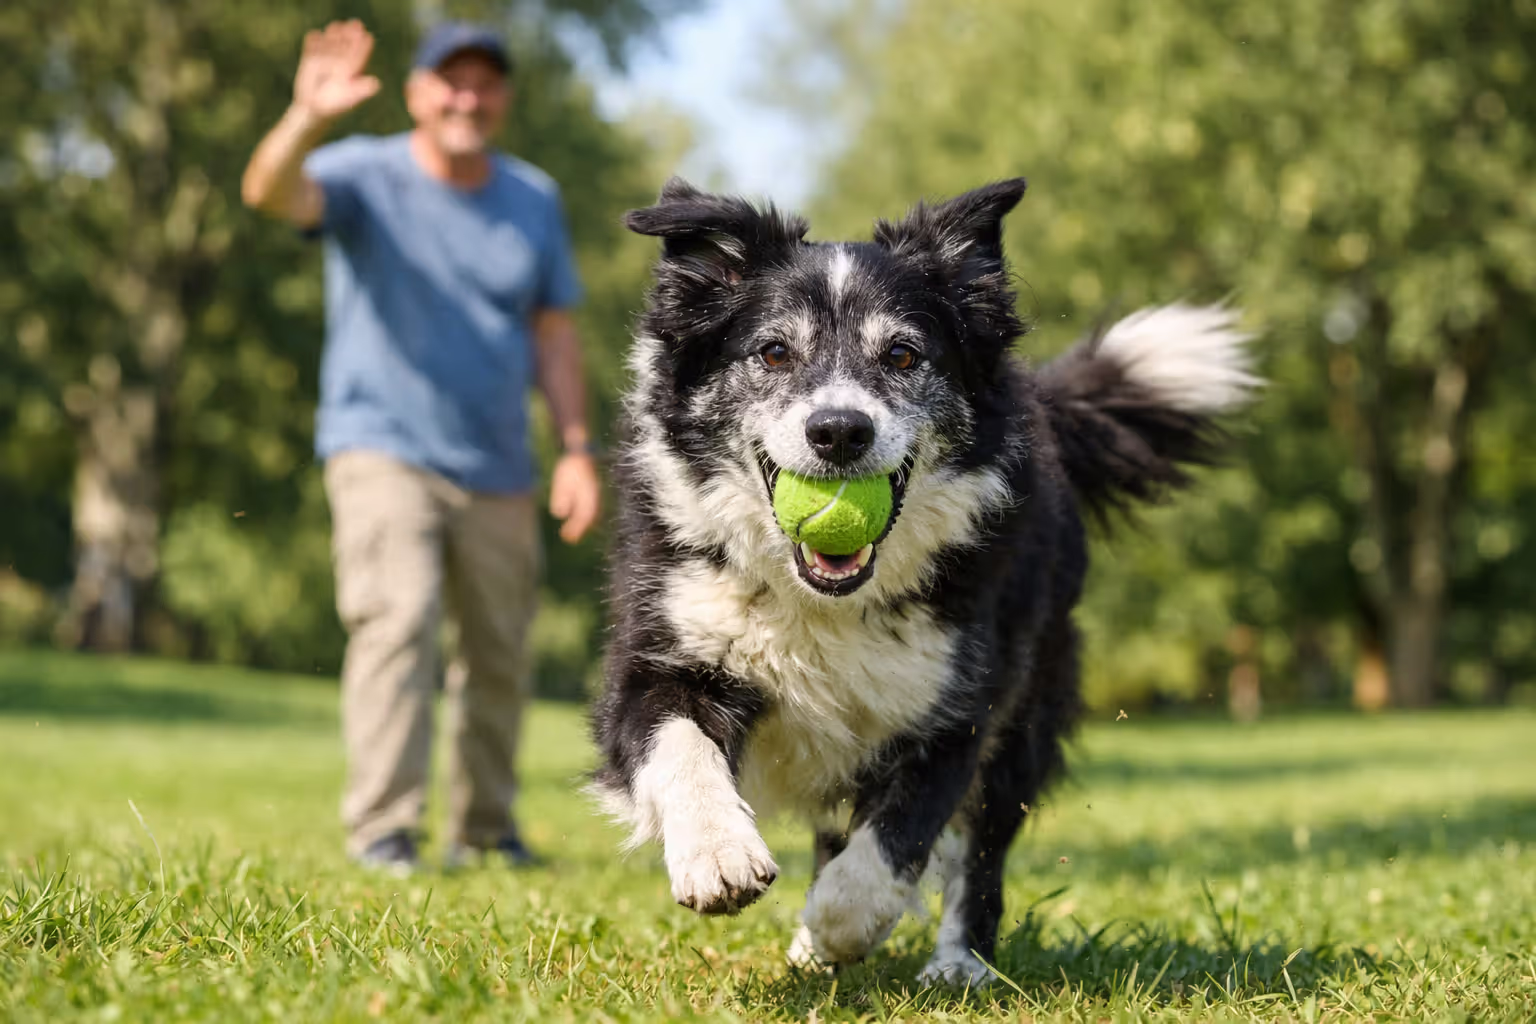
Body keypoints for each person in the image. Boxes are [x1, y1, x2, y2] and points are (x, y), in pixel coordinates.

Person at [240, 19, 601, 873]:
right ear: (417, 93)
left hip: (499, 460)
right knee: (397, 621)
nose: (467, 98)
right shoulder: (361, 173)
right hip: (381, 444)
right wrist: (304, 118)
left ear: (503, 98)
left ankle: (484, 831)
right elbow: (266, 193)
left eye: (484, 83)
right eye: (450, 81)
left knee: (499, 649)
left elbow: (553, 334)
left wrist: (578, 449)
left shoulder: (532, 198)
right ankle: (384, 830)